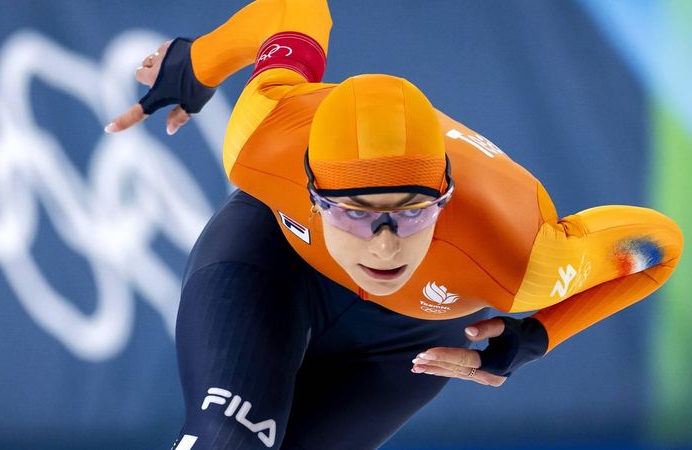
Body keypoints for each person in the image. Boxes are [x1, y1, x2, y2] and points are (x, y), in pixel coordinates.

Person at [106, 1, 684, 448]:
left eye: (411, 212)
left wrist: (534, 337)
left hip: (409, 339)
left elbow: (662, 245)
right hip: (275, 263)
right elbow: (299, 9)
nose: (385, 245)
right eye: (356, 214)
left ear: (445, 197)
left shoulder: (521, 256)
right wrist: (196, 64)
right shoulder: (262, 135)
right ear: (310, 193)